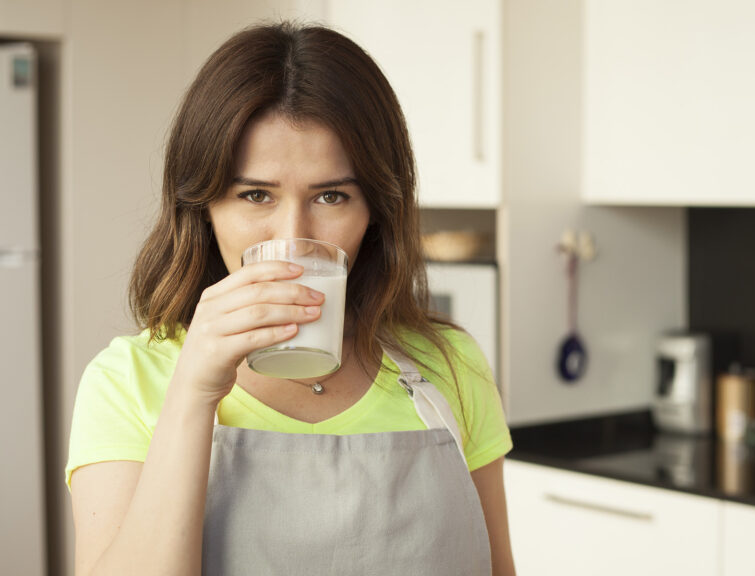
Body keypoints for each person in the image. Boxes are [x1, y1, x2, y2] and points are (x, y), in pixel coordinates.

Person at [66, 21, 516, 576]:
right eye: (255, 194)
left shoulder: (450, 365)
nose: (292, 238)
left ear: (375, 210)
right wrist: (193, 390)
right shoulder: (126, 382)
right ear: (203, 208)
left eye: (331, 195)